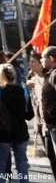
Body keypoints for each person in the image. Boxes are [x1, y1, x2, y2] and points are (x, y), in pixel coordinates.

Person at [0, 63, 33, 183]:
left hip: (1, 133)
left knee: (0, 167)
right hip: (20, 132)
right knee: (22, 165)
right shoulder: (24, 92)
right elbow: (29, 115)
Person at [40, 46, 56, 177]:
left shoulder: (55, 74)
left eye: (43, 58)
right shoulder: (51, 73)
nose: (41, 61)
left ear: (51, 59)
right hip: (51, 125)